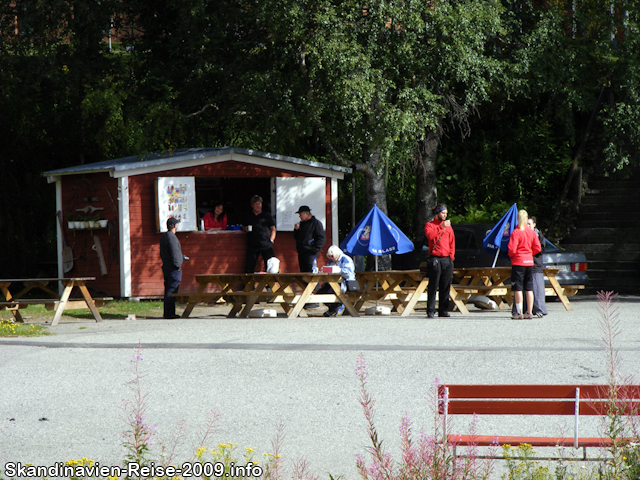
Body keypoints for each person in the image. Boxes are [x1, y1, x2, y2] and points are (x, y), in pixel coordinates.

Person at [508, 209, 542, 320]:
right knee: (529, 288)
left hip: (518, 262)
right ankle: (529, 312)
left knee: (518, 288)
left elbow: (512, 249)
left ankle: (519, 312)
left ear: (517, 219)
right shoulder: (531, 232)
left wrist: (513, 255)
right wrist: (529, 254)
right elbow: (537, 248)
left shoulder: (516, 232)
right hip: (529, 262)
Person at [424, 204, 455, 318]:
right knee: (433, 285)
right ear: (437, 213)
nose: (445, 215)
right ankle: (431, 309)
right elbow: (430, 236)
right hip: (435, 258)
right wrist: (441, 226)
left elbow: (452, 241)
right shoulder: (430, 225)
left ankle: (443, 309)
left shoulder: (448, 227)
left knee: (445, 285)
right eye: (443, 213)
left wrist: (451, 256)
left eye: (446, 213)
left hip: (446, 258)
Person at [160, 217, 186, 319]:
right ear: (174, 226)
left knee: (169, 289)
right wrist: (177, 265)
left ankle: (168, 312)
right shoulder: (172, 237)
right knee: (172, 290)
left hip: (166, 266)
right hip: (173, 268)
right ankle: (169, 313)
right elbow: (174, 253)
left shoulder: (164, 237)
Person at [243, 195, 276, 273]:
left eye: (259, 204)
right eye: (256, 204)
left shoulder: (267, 215)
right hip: (252, 244)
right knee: (249, 266)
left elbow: (273, 229)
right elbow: (243, 226)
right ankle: (248, 284)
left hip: (266, 244)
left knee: (270, 265)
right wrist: (246, 229)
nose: (258, 206)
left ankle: (270, 285)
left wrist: (271, 240)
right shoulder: (248, 215)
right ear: (252, 205)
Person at [320, 245, 356, 317]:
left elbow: (348, 273)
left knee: (331, 291)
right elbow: (328, 268)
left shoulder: (346, 259)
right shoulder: (331, 261)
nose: (331, 258)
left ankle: (338, 306)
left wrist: (337, 270)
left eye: (332, 256)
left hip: (345, 282)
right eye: (329, 256)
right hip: (332, 282)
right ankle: (333, 308)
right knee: (320, 293)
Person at [293, 205, 326, 272]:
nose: (299, 216)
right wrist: (296, 230)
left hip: (311, 253)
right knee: (303, 273)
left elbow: (321, 238)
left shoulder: (316, 223)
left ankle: (314, 283)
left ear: (307, 214)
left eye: (301, 214)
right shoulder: (301, 224)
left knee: (312, 272)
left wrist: (315, 249)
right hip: (302, 252)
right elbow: (296, 237)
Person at [529, 216, 548, 317]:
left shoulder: (538, 235)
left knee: (537, 288)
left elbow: (540, 249)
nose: (528, 226)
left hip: (536, 264)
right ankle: (528, 309)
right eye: (526, 224)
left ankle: (540, 309)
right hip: (526, 264)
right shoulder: (524, 234)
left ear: (534, 225)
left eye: (529, 224)